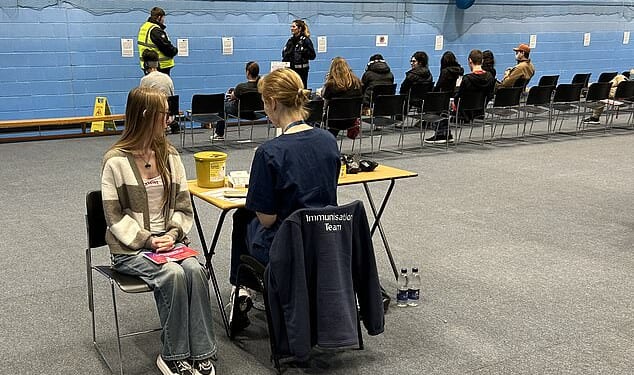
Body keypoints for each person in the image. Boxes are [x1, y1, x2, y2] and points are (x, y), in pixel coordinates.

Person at [101, 86, 216, 375]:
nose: (170, 120)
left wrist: (172, 235)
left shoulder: (170, 155)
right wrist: (148, 240)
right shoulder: (115, 161)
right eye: (164, 114)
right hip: (130, 249)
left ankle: (202, 352)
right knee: (173, 274)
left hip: (169, 242)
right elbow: (113, 217)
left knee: (195, 270)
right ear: (146, 116)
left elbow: (183, 205)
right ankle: (173, 355)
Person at [228, 68, 340, 332]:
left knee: (241, 218)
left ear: (272, 103)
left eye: (264, 104)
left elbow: (267, 220)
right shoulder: (328, 140)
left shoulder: (269, 152)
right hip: (327, 239)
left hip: (286, 244)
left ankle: (241, 289)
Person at [425, 49, 495, 144]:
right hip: (480, 112)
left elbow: (458, 97)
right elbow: (490, 95)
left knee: (442, 106)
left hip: (464, 114)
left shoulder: (467, 79)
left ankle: (442, 133)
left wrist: (454, 104)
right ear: (482, 61)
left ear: (470, 61)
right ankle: (444, 133)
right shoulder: (490, 77)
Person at [211, 61, 261, 141]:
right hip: (258, 113)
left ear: (247, 72)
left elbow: (233, 97)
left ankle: (219, 134)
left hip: (241, 112)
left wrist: (232, 93)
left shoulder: (241, 87)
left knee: (222, 106)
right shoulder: (262, 86)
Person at [321, 56, 363, 137]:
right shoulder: (356, 82)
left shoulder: (331, 84)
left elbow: (325, 104)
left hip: (333, 121)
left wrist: (325, 83)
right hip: (351, 119)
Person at [140, 50, 180, 135]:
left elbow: (142, 100)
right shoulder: (167, 78)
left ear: (145, 64)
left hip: (155, 115)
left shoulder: (145, 80)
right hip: (168, 114)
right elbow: (172, 96)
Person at [138, 7, 178, 76]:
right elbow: (166, 47)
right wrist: (175, 50)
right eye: (163, 18)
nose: (163, 20)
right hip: (159, 66)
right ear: (159, 17)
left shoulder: (145, 27)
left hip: (148, 65)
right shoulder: (155, 30)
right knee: (161, 85)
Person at [282, 19, 316, 89]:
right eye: (291, 27)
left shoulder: (305, 40)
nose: (291, 28)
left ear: (299, 28)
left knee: (301, 89)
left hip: (302, 71)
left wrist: (303, 51)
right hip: (291, 70)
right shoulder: (290, 41)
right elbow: (285, 54)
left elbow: (313, 56)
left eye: (294, 27)